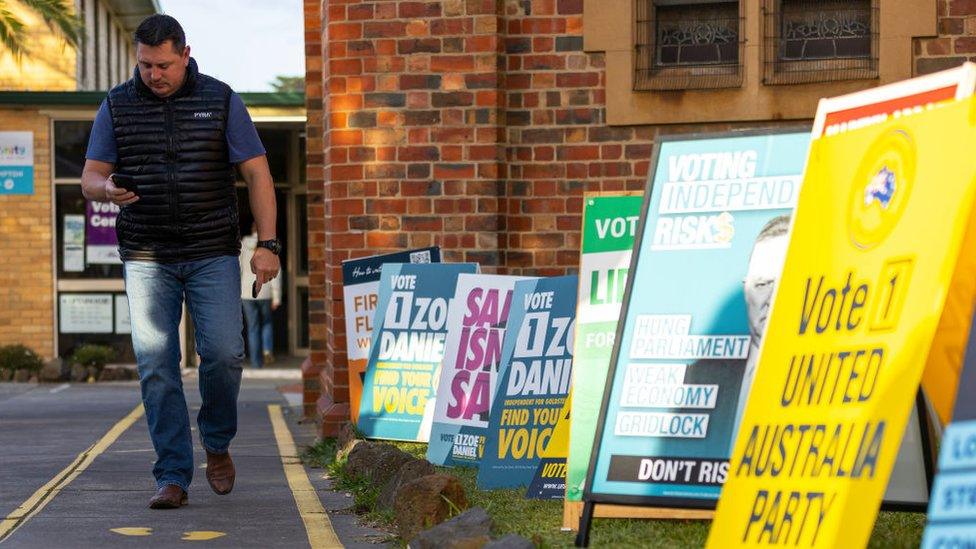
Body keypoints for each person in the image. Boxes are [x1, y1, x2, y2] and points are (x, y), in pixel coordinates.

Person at [80, 14, 282, 509]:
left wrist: (269, 245)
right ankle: (172, 474)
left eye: (165, 64)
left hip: (211, 250)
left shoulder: (220, 99)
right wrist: (107, 189)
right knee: (156, 366)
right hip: (148, 255)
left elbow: (257, 173)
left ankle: (216, 442)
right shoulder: (116, 105)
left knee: (223, 353)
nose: (155, 74)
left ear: (185, 54)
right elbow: (89, 177)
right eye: (146, 64)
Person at [730, 214, 791, 447]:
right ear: (745, 287)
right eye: (763, 284)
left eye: (786, 283)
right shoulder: (701, 380)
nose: (774, 299)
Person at [240, 227, 282, 368]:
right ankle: (267, 350)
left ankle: (255, 363)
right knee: (267, 323)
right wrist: (276, 296)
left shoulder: (242, 246)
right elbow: (276, 272)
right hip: (265, 291)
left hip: (247, 293)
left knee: (253, 327)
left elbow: (238, 270)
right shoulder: (269, 245)